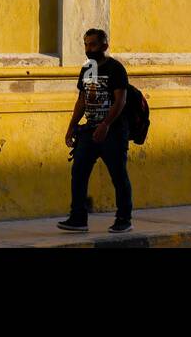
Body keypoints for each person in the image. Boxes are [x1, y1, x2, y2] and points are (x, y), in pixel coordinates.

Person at [57, 29, 133, 233]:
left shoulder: (115, 68)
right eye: (86, 44)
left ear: (104, 46)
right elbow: (82, 100)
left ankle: (124, 218)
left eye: (92, 45)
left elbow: (121, 100)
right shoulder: (87, 69)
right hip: (89, 131)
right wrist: (71, 126)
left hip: (113, 132)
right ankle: (78, 218)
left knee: (118, 175)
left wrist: (106, 124)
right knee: (79, 172)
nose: (88, 49)